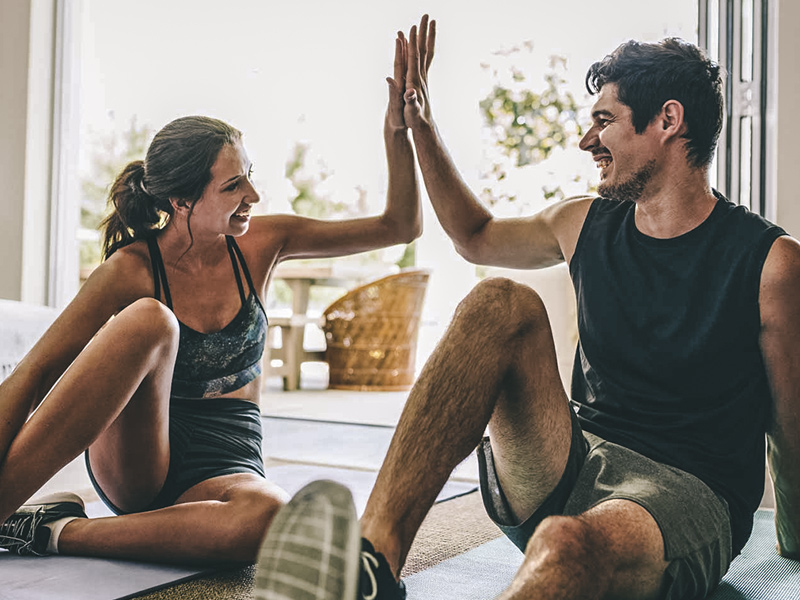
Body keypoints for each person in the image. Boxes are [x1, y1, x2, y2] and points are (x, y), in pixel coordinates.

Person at [256, 15, 800, 600]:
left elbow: (791, 423)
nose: (586, 141)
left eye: (603, 121)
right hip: (571, 455)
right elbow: (475, 236)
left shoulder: (771, 262)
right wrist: (423, 127)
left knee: (564, 548)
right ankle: (370, 568)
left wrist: (791, 549)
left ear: (668, 120)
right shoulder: (583, 223)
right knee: (499, 300)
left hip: (685, 495)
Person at [0, 31, 420, 577]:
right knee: (153, 320)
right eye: (233, 186)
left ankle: (53, 531)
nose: (254, 196)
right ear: (181, 201)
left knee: (272, 515)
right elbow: (32, 376)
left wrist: (398, 131)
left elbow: (399, 225)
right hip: (140, 460)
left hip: (227, 459)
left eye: (251, 176)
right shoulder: (130, 270)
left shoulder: (264, 245)